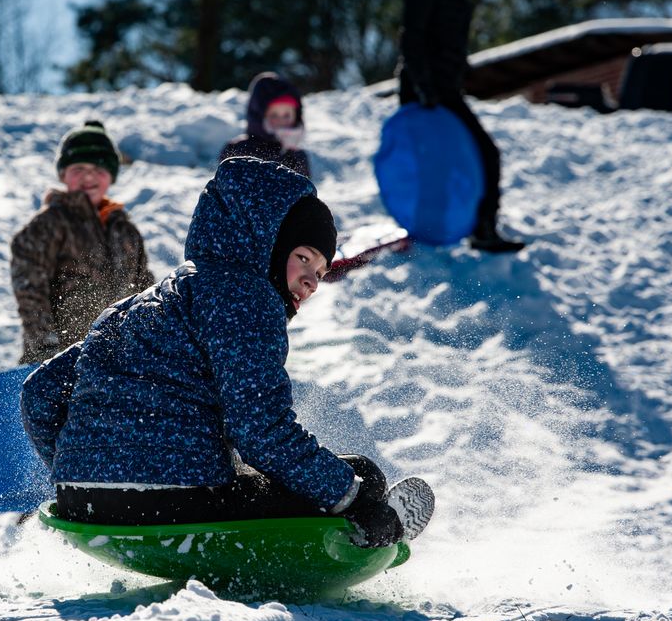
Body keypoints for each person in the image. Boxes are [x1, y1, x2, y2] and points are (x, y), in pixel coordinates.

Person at [21, 157, 433, 547]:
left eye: (320, 273)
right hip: (175, 503)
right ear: (268, 243)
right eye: (303, 258)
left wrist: (85, 471)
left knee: (269, 475)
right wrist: (350, 496)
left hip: (83, 502)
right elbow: (260, 431)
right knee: (362, 476)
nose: (310, 281)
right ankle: (374, 530)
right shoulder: (247, 298)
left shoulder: (144, 304)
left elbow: (39, 392)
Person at [397, 0, 525, 253]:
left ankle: (479, 228)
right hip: (425, 93)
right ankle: (434, 230)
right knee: (467, 156)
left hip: (447, 90)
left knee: (471, 156)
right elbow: (412, 41)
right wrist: (423, 88)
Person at [10, 120, 154, 364]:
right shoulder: (49, 224)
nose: (89, 176)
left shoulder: (125, 231)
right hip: (62, 359)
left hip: (118, 361)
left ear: (111, 175)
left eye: (98, 168)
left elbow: (145, 291)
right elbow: (30, 290)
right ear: (63, 174)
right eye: (78, 168)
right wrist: (46, 350)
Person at [219, 72, 312, 178]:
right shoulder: (239, 150)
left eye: (287, 115)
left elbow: (304, 187)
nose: (281, 121)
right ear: (259, 116)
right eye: (274, 115)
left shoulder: (297, 156)